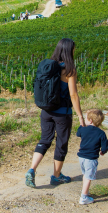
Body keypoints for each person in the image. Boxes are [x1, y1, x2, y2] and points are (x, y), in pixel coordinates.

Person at [25, 38, 85, 187]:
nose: (74, 51)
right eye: (73, 48)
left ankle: (32, 170)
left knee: (44, 140)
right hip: (62, 114)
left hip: (46, 111)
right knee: (61, 144)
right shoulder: (69, 70)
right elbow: (73, 95)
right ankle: (56, 176)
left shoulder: (49, 66)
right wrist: (80, 115)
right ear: (69, 50)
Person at [76, 109, 108, 205]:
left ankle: (85, 191)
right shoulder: (101, 133)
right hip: (91, 159)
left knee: (85, 175)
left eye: (86, 118)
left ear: (90, 120)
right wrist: (103, 151)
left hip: (81, 157)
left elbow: (78, 133)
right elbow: (105, 146)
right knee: (88, 177)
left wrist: (81, 124)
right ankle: (84, 197)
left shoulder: (83, 129)